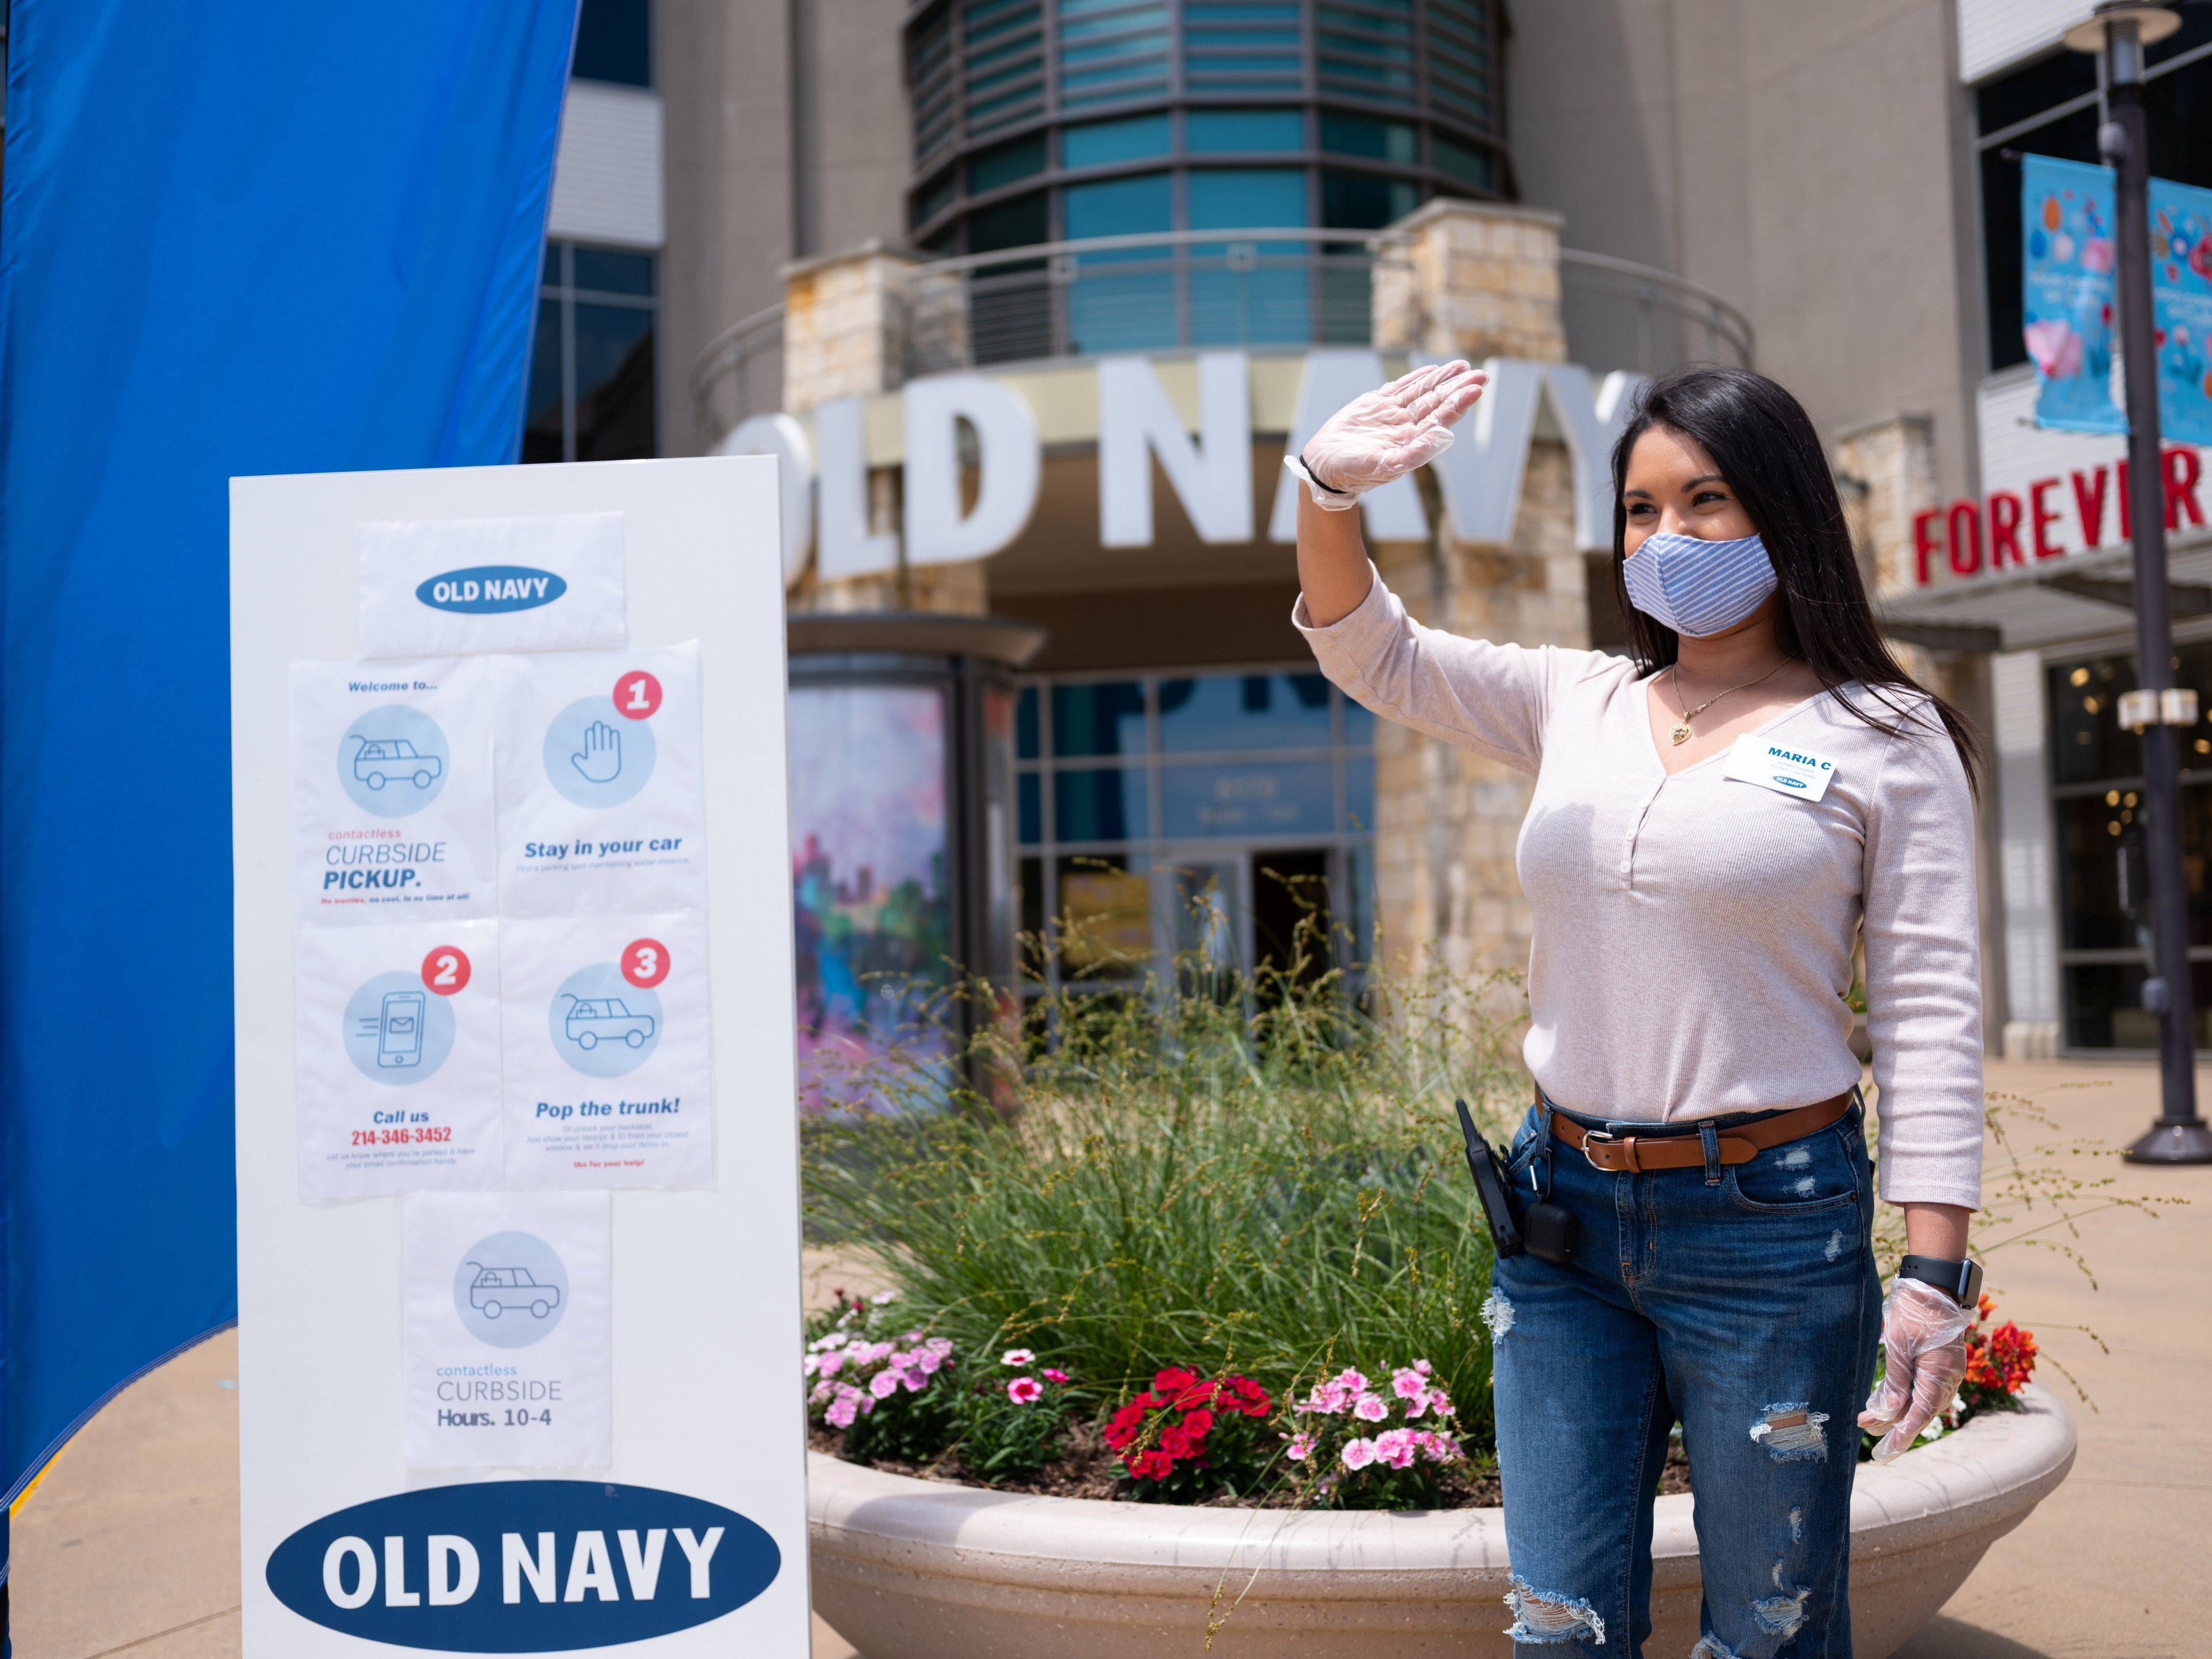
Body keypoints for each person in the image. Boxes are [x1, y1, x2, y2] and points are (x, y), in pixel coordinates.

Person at [1287, 361, 1986, 1659]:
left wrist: (1936, 1271)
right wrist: (1326, 492)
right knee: (1560, 1631)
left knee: (1768, 1638)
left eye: (1707, 500)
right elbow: (1370, 648)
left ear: (1785, 511)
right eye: (1639, 509)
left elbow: (1933, 1006)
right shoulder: (1584, 702)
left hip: (1773, 1230)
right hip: (1563, 1227)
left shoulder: (1884, 734)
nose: (1668, 538)